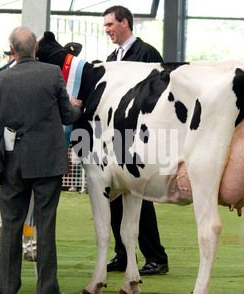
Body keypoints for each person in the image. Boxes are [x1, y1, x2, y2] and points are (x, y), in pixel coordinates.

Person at [0, 27, 83, 294]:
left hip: (10, 158)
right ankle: (47, 289)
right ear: (36, 50)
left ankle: (6, 288)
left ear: (12, 50)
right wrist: (78, 106)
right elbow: (67, 116)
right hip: (47, 161)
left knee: (11, 225)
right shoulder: (52, 74)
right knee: (45, 223)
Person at [103, 5, 169, 276]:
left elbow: (160, 93)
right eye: (105, 26)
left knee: (141, 195)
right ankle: (122, 253)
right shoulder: (110, 57)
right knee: (114, 194)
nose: (106, 30)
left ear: (125, 23)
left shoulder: (147, 53)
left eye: (110, 25)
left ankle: (156, 257)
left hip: (140, 137)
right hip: (116, 136)